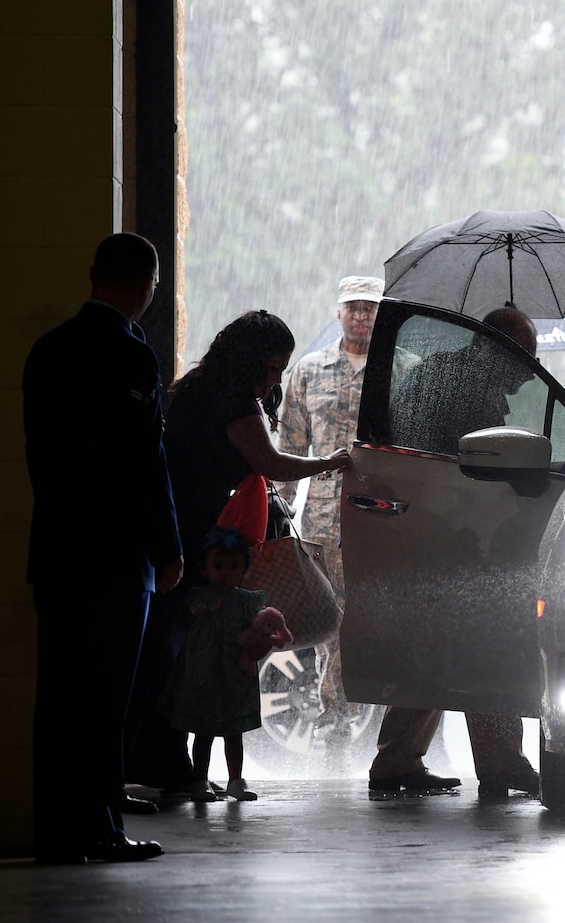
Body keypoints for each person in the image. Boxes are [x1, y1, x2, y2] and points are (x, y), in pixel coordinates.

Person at [127, 310, 352, 802]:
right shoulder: (235, 401)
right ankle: (164, 762)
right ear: (252, 360)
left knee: (162, 651)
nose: (275, 379)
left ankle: (152, 757)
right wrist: (330, 463)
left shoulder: (195, 387)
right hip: (193, 539)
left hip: (169, 529)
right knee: (180, 657)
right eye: (273, 367)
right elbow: (271, 463)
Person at [22, 232, 182, 864]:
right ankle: (100, 829)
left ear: (92, 273)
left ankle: (56, 831)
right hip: (116, 562)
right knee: (105, 699)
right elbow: (144, 464)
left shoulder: (48, 350)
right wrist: (167, 547)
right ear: (148, 285)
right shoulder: (129, 356)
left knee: (59, 697)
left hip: (59, 552)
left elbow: (44, 460)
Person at [367, 306, 544, 801]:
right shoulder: (472, 391)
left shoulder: (439, 373)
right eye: (524, 357)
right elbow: (482, 470)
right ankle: (500, 760)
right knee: (486, 646)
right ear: (497, 348)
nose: (529, 371)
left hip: (421, 529)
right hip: (460, 536)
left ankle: (397, 760)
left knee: (433, 649)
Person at [275, 275, 384, 747]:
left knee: (375, 616)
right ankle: (334, 717)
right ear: (338, 313)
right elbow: (290, 447)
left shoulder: (397, 370)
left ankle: (375, 718)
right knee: (329, 619)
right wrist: (277, 510)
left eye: (370, 308)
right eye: (353, 308)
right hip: (322, 518)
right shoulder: (309, 370)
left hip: (385, 515)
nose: (361, 316)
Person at [161, 526, 291, 802]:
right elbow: (180, 623)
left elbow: (259, 630)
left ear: (244, 570)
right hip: (202, 674)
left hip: (234, 675)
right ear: (204, 569)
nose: (225, 573)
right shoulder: (196, 597)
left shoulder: (247, 601)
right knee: (203, 731)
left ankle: (235, 780)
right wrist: (191, 613)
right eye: (218, 566)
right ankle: (199, 779)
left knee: (234, 733)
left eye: (233, 567)